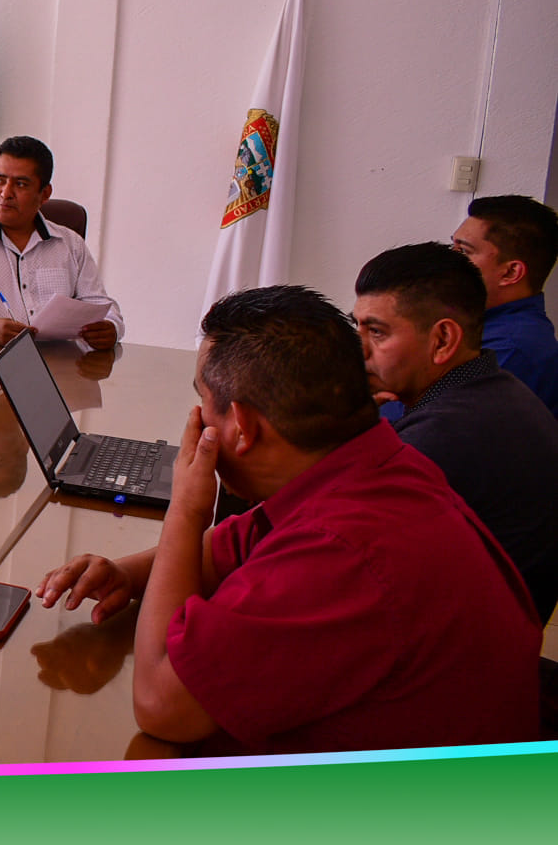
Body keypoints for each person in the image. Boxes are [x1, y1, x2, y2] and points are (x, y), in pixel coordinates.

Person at [36, 285, 538, 756]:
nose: (196, 417)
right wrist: (128, 572)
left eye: (204, 402)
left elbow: (161, 706)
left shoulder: (340, 549)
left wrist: (185, 511)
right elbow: (231, 547)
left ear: (242, 427)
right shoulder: (377, 463)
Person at [354, 242, 558, 622]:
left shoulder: (442, 434)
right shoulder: (495, 387)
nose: (359, 349)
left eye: (377, 332)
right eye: (358, 327)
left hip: (470, 657)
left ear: (443, 340)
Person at [0, 135, 122, 349]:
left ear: (44, 194)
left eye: (20, 184)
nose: (5, 193)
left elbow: (99, 303)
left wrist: (111, 327)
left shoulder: (70, 244)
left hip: (59, 368)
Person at [450, 194, 558, 414]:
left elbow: (426, 426)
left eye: (464, 251)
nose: (448, 261)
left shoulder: (509, 349)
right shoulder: (480, 324)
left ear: (510, 272)